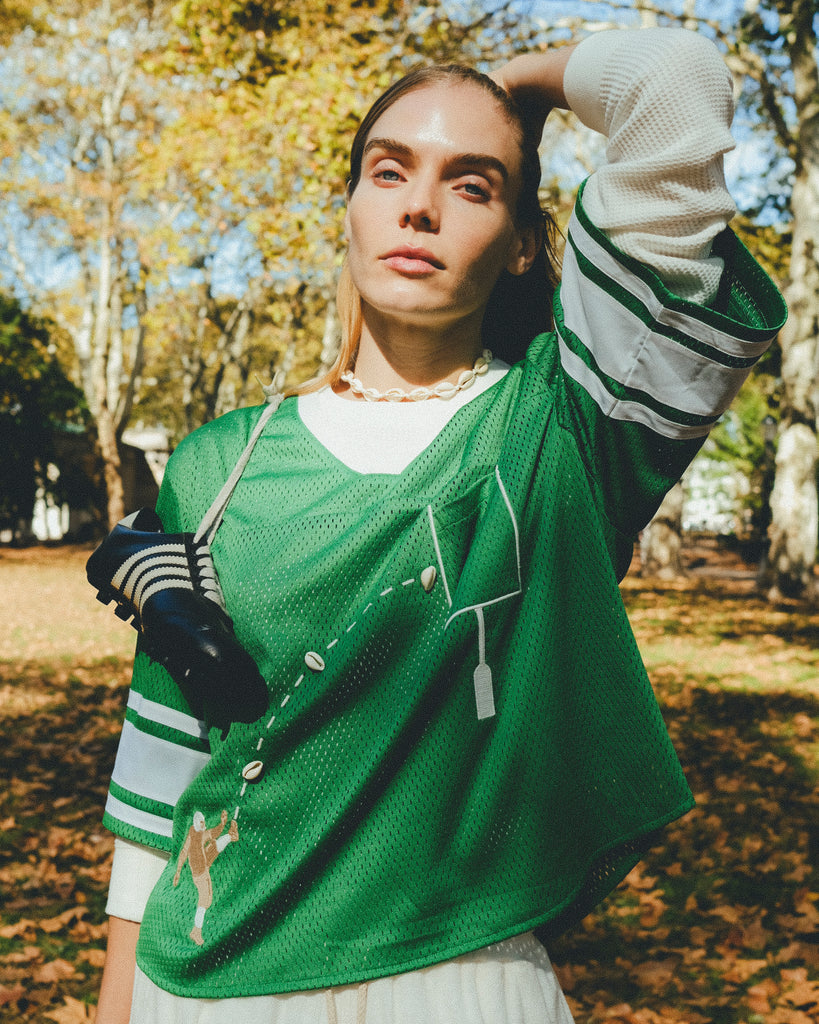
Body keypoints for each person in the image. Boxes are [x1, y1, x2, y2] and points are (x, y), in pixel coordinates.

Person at [93, 25, 786, 1024]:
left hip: (462, 981)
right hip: (202, 987)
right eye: (388, 171)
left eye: (472, 183)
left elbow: (674, 85)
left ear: (522, 244)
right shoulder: (218, 462)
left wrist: (509, 89)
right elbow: (162, 765)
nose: (418, 205)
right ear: (348, 209)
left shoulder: (565, 424)